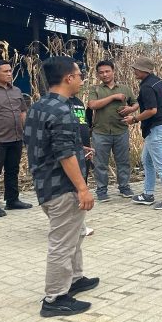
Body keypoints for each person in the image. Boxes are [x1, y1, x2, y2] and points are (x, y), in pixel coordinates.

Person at [23, 56, 98, 317]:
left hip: (45, 183)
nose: (81, 80)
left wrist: (78, 148)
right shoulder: (63, 110)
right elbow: (64, 154)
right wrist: (82, 188)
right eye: (79, 75)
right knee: (62, 244)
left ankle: (75, 279)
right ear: (68, 78)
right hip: (62, 188)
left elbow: (41, 142)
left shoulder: (39, 105)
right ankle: (54, 298)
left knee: (73, 236)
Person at [123, 57, 162, 210]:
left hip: (157, 129)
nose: (134, 71)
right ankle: (148, 195)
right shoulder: (158, 82)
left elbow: (152, 110)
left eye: (136, 69)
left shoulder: (147, 86)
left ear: (144, 70)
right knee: (147, 160)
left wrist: (134, 119)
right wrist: (133, 109)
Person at [86, 60, 136, 201]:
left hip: (121, 131)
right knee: (100, 163)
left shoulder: (125, 88)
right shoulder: (95, 89)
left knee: (123, 161)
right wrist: (113, 97)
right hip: (100, 132)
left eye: (107, 71)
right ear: (97, 74)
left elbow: (135, 103)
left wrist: (131, 109)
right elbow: (92, 105)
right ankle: (102, 190)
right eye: (101, 72)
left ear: (113, 71)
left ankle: (124, 187)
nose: (105, 74)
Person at [0, 59, 32, 216]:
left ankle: (12, 200)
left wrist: (25, 131)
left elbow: (23, 111)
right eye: (5, 71)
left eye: (10, 70)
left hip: (16, 138)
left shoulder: (16, 90)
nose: (10, 74)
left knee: (12, 170)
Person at [69, 87, 96, 237]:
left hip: (82, 149)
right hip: (71, 151)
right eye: (78, 78)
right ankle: (74, 226)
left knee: (82, 183)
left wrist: (86, 147)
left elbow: (83, 124)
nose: (81, 83)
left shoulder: (78, 102)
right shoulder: (61, 104)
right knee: (74, 188)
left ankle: (78, 223)